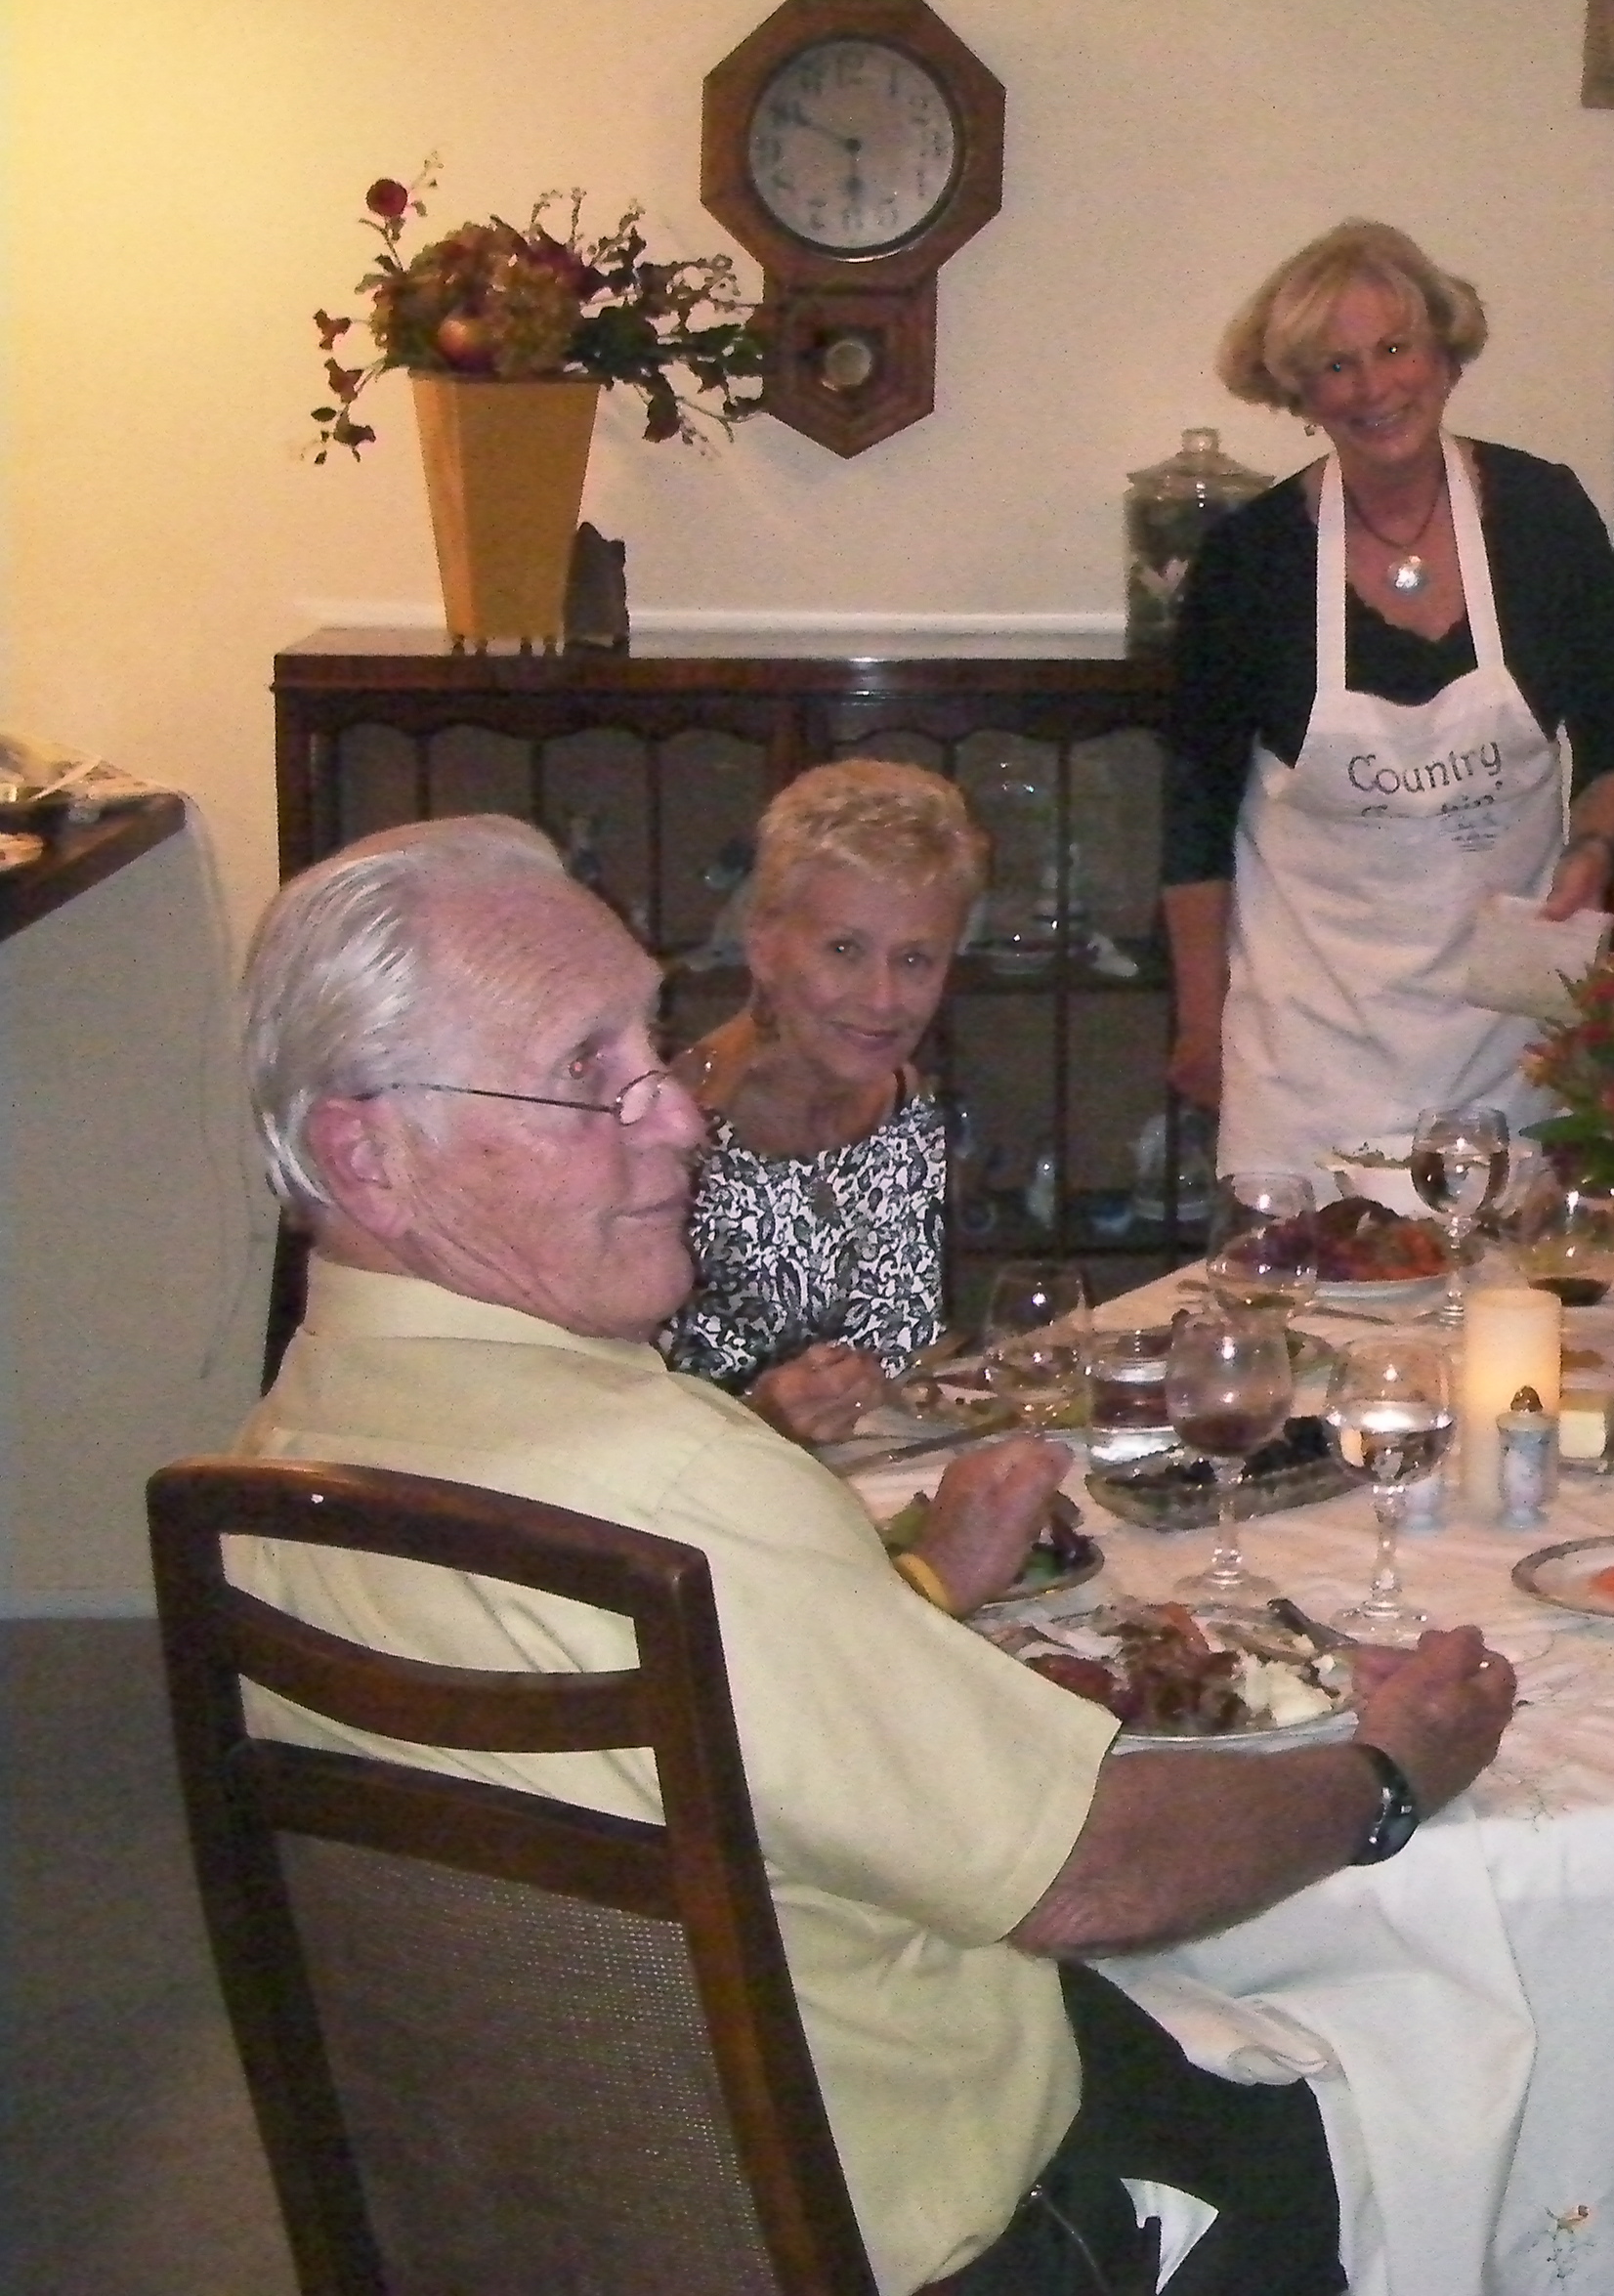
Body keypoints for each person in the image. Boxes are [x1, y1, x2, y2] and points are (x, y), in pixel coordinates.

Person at [229, 815, 1518, 2295]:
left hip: (532, 2195)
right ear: (368, 1153)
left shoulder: (278, 1462)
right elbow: (1087, 1872)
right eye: (588, 1075)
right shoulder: (674, 1483)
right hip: (884, 2228)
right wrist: (1388, 1775)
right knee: (1418, 2086)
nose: (677, 1119)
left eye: (649, 1047)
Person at [1163, 220, 1614, 1174]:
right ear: (1299, 394)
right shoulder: (1251, 561)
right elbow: (1193, 816)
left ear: (1443, 352)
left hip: (1509, 1047)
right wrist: (1198, 1023)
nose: (1376, 388)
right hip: (1309, 1064)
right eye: (1335, 367)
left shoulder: (1543, 517)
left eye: (1394, 348)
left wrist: (1592, 847)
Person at [665, 758, 985, 1445]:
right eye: (844, 949)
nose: (882, 1000)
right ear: (764, 947)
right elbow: (617, 1425)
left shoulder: (899, 1100)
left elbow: (903, 1347)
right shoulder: (674, 1135)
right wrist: (762, 1424)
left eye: (915, 960)